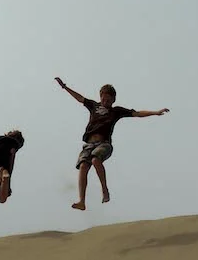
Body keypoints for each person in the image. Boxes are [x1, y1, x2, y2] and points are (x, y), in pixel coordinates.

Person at [54, 77, 168, 210]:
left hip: (104, 144)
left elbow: (136, 113)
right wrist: (64, 87)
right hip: (89, 144)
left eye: (108, 100)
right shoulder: (93, 106)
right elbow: (80, 98)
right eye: (103, 99)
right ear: (100, 97)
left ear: (113, 100)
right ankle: (82, 201)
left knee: (96, 160)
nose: (105, 101)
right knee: (84, 166)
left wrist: (155, 112)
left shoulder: (116, 111)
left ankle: (104, 190)